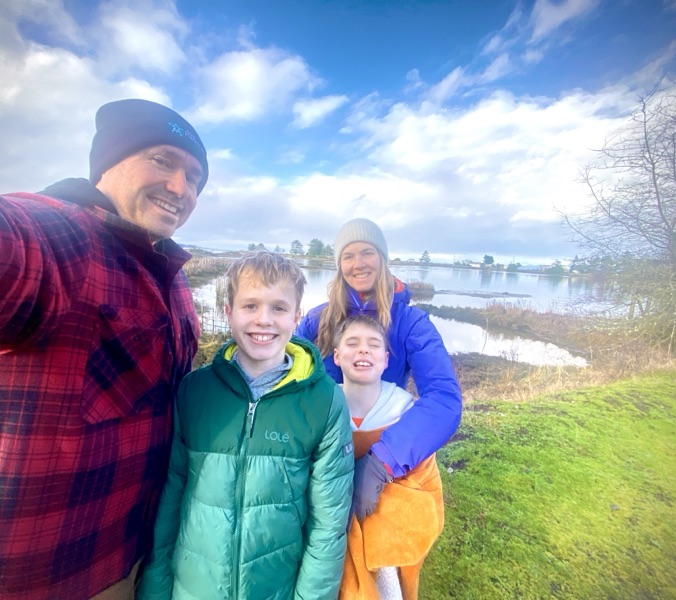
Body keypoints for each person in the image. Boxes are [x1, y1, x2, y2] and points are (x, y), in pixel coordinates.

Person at [0, 98, 209, 599]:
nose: (181, 188)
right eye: (163, 161)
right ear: (109, 163)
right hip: (56, 577)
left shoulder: (172, 276)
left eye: (195, 178)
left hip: (149, 557)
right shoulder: (59, 239)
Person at [136, 251, 355, 600]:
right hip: (193, 588)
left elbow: (328, 524)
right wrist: (156, 587)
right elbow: (173, 493)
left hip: (275, 588)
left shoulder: (324, 401)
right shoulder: (195, 391)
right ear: (228, 311)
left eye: (279, 308)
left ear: (297, 316)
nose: (263, 320)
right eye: (250, 306)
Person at [295, 218, 461, 522]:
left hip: (382, 444)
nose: (358, 264)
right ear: (339, 265)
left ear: (383, 259)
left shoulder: (412, 324)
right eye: (348, 255)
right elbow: (288, 382)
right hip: (324, 450)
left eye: (367, 252)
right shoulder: (316, 321)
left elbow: (443, 399)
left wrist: (384, 460)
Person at [332, 315, 444, 600]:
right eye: (352, 343)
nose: (363, 349)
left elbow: (423, 489)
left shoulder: (405, 413)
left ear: (385, 360)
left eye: (373, 344)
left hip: (384, 553)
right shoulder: (324, 406)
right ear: (336, 356)